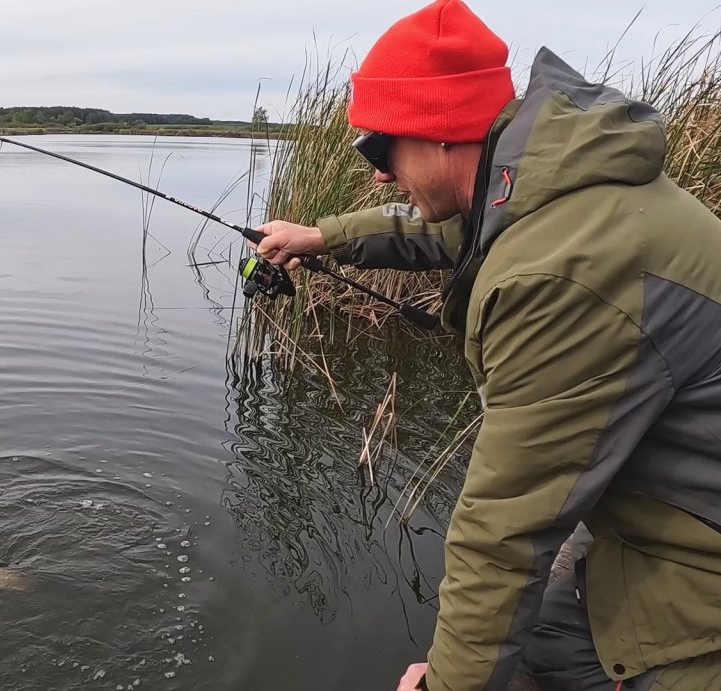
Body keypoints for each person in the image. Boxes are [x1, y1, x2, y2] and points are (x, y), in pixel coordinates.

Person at [250, 1, 721, 689]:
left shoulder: (560, 274)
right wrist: (323, 236)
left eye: (379, 147)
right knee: (528, 644)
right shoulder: (555, 187)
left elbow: (502, 531)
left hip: (698, 575)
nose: (378, 172)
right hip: (676, 520)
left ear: (442, 134)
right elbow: (445, 231)